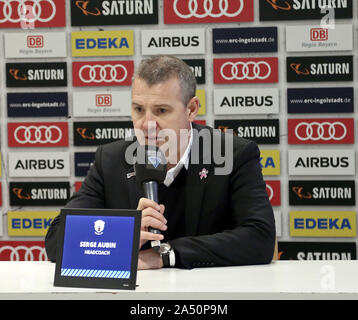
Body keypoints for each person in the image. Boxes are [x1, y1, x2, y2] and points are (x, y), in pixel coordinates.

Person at [45, 55, 277, 269]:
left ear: (191, 109)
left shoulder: (233, 155)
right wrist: (125, 234)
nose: (147, 124)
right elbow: (57, 240)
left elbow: (260, 238)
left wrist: (167, 255)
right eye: (138, 109)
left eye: (161, 110)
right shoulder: (111, 160)